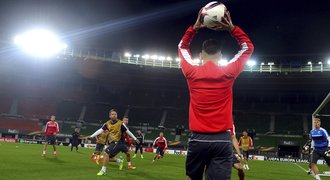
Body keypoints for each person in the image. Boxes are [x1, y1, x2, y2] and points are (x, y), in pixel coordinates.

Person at [178, 8, 254, 180]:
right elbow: (247, 47)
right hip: (222, 140)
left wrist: (194, 28)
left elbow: (182, 47)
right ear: (220, 55)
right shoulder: (228, 71)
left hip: (198, 140)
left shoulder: (191, 71)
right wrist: (232, 28)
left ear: (200, 55)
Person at [88, 109, 139, 176]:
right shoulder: (107, 123)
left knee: (107, 153)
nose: (114, 115)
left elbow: (127, 132)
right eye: (112, 114)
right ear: (109, 116)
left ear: (117, 115)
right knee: (108, 156)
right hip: (114, 142)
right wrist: (92, 136)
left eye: (115, 114)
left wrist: (135, 138)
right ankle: (119, 161)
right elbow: (100, 130)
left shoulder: (120, 123)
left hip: (119, 142)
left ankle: (104, 170)